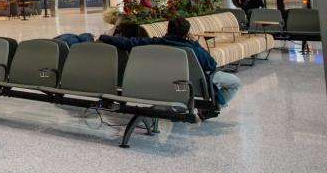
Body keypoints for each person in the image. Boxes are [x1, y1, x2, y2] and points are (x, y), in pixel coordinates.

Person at [101, 17, 239, 106]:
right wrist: (195, 43)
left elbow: (129, 42)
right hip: (191, 84)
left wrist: (105, 37)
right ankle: (212, 108)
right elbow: (211, 65)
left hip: (162, 83)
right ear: (186, 33)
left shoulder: (155, 43)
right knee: (234, 82)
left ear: (168, 30)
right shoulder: (192, 49)